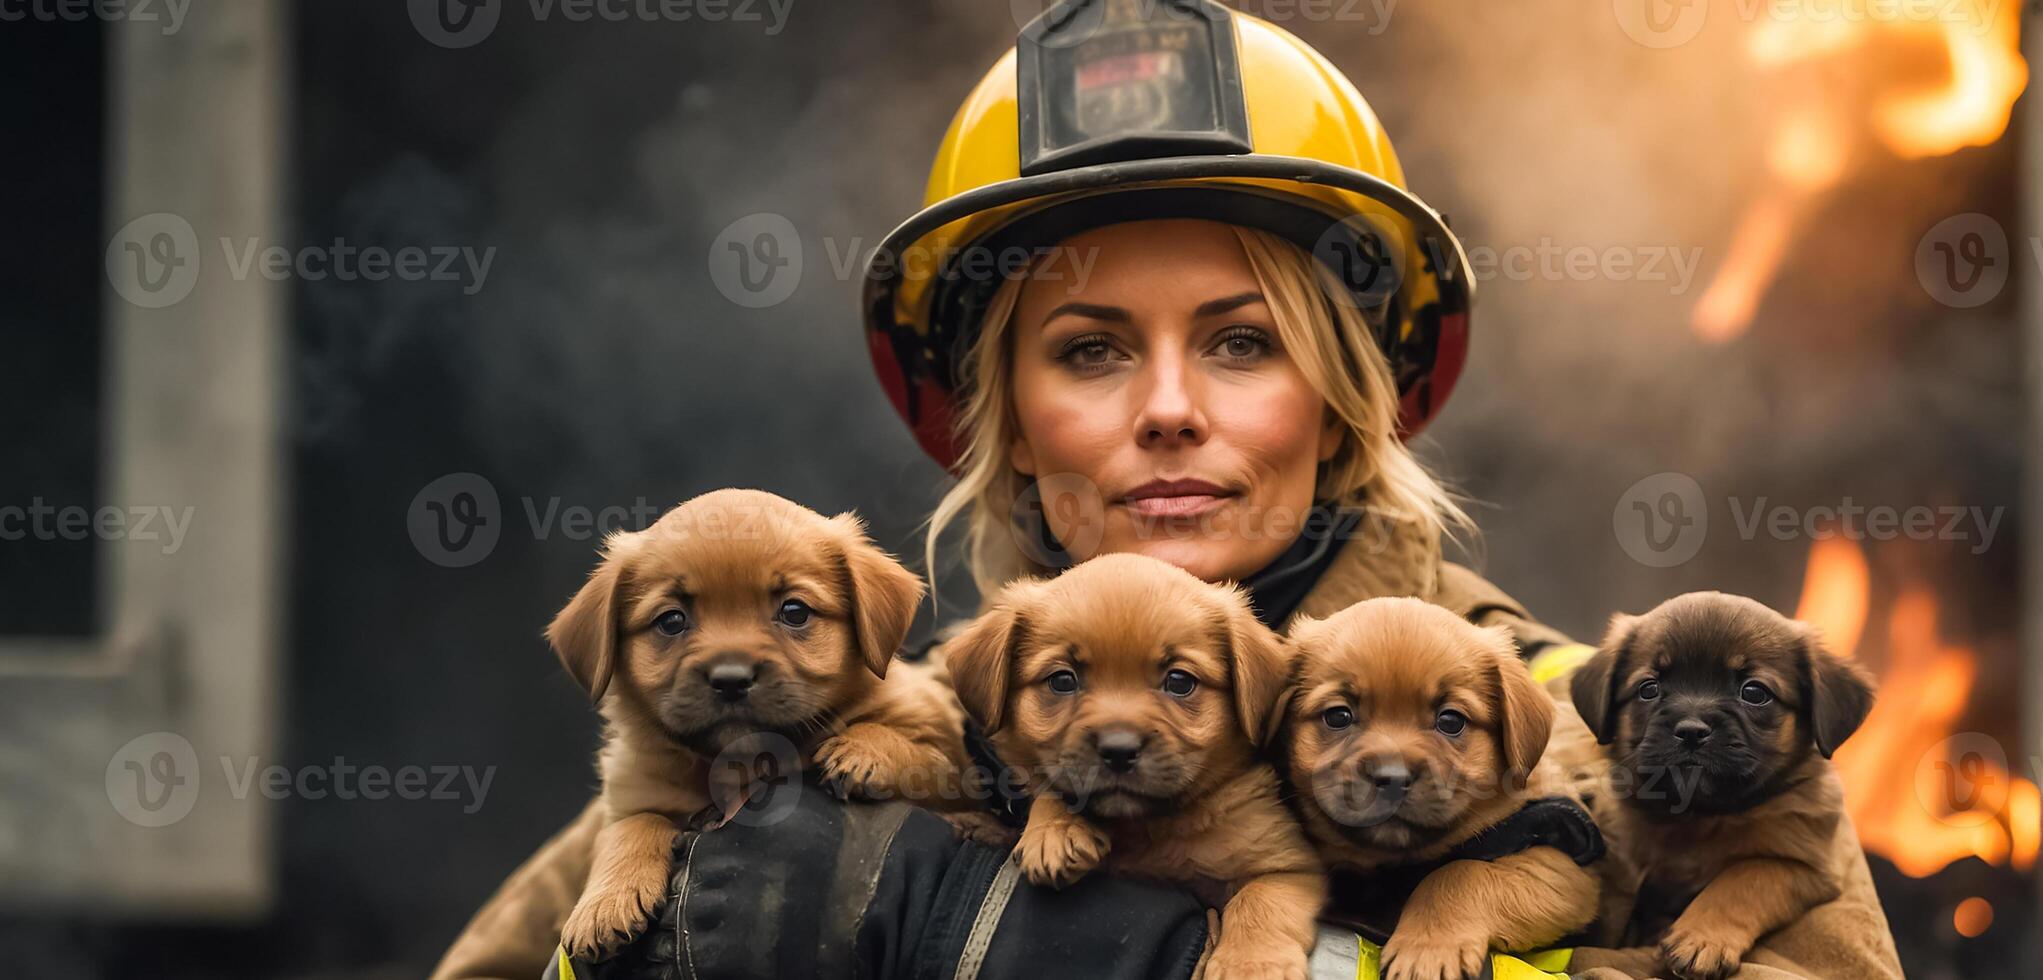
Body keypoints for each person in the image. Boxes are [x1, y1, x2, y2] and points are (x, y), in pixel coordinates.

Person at [431, 4, 1904, 978]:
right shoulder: (854, 719)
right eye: (1088, 350)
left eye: (1244, 342)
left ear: (1349, 405)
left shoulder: (1575, 717)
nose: (1170, 408)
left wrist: (1103, 951)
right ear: (1002, 428)